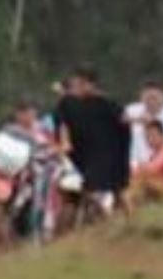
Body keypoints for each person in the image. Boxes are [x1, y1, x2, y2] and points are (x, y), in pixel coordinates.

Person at [54, 68, 130, 216]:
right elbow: (63, 123)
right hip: (86, 154)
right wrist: (65, 141)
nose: (78, 88)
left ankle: (128, 219)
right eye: (76, 84)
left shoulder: (106, 102)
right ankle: (104, 216)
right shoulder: (68, 104)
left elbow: (123, 120)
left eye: (82, 84)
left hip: (109, 153)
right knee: (90, 188)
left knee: (117, 190)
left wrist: (138, 120)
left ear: (92, 84)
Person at [125, 84, 163, 169]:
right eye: (147, 98)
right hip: (132, 164)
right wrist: (137, 120)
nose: (150, 102)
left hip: (160, 167)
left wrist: (154, 127)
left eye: (154, 98)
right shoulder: (132, 110)